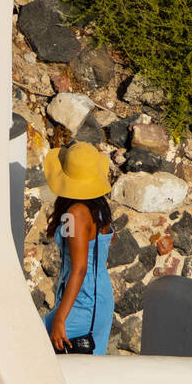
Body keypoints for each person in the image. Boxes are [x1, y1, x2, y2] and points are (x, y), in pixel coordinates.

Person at [42, 141, 115, 355]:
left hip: (84, 303)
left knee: (31, 343)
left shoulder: (76, 213)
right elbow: (102, 246)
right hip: (98, 298)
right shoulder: (99, 209)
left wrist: (60, 319)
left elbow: (80, 268)